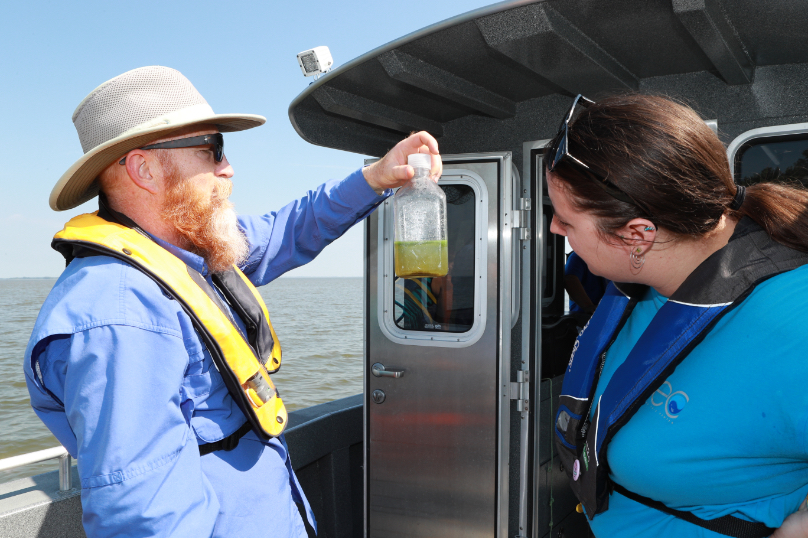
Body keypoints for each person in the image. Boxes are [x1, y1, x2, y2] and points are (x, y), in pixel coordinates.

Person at [22, 66, 442, 538]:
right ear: (145, 169)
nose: (229, 167)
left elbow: (292, 227)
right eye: (213, 150)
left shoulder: (190, 257)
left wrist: (377, 177)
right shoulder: (122, 317)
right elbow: (148, 522)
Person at [547, 94, 808, 538]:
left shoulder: (792, 328)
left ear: (637, 236)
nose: (554, 228)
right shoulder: (647, 282)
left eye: (567, 221)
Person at [564, 250, 608, 316]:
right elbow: (570, 279)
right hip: (584, 316)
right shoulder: (578, 256)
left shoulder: (609, 259)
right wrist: (588, 306)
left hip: (606, 314)